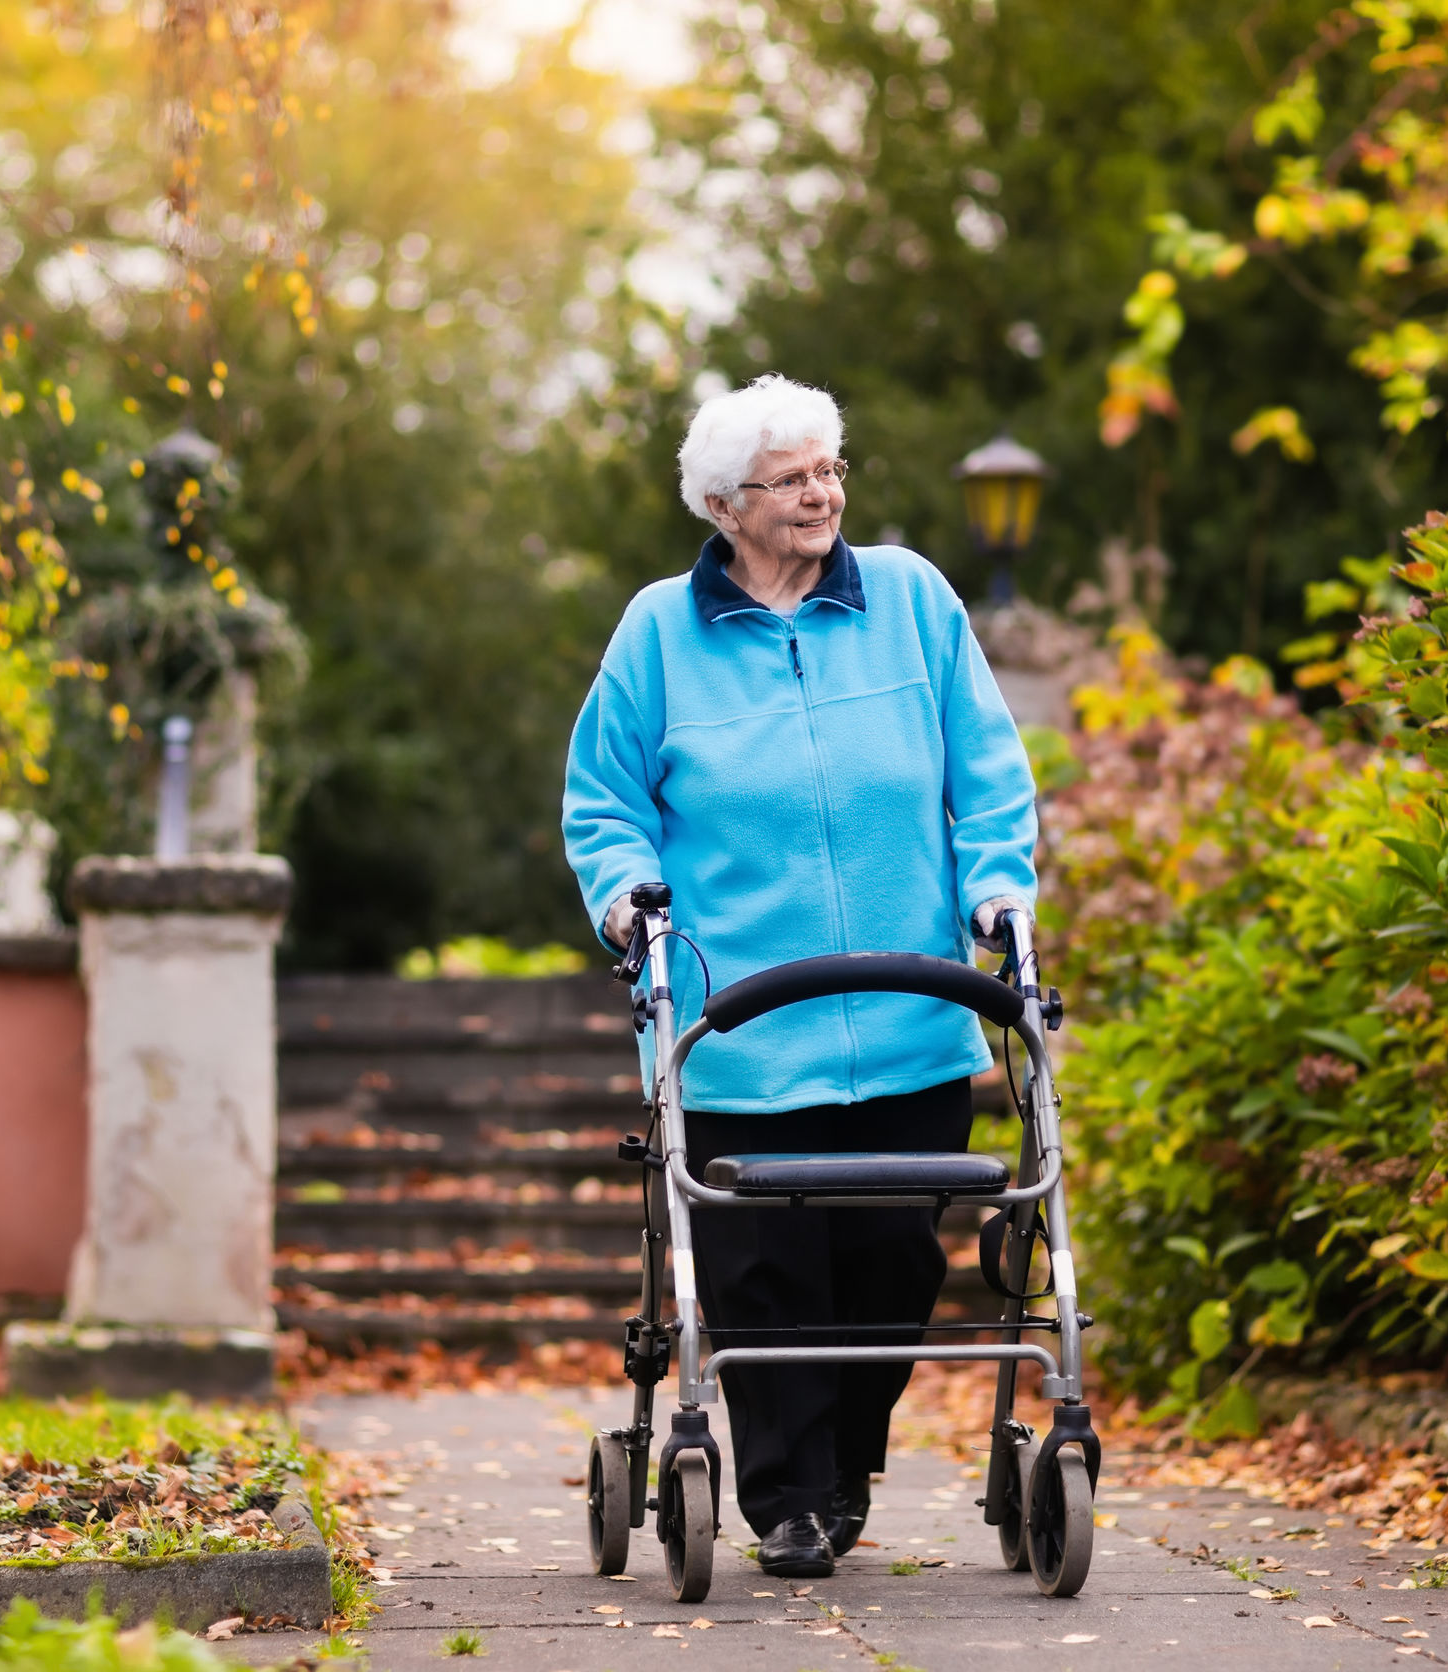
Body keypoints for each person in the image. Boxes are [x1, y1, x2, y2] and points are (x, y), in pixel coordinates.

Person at [561, 373, 1038, 1579]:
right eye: (791, 478)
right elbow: (605, 800)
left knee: (893, 1262)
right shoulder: (658, 632)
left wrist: (999, 884)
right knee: (762, 1275)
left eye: (831, 469)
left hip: (911, 1010)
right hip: (738, 1027)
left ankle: (842, 1472)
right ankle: (787, 1499)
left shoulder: (917, 602)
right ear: (726, 504)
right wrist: (628, 899)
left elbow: (987, 768)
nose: (822, 493)